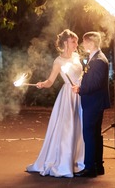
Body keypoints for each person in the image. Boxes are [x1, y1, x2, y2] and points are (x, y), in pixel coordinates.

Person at [26, 29, 85, 177]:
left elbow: (83, 73)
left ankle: (79, 161)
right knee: (67, 128)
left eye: (76, 41)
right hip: (68, 96)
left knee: (80, 127)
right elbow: (50, 81)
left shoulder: (77, 56)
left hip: (80, 93)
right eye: (74, 41)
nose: (76, 44)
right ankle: (64, 163)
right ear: (65, 43)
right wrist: (42, 84)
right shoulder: (58, 61)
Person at [72, 31, 111, 177]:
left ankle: (90, 168)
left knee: (89, 134)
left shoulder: (99, 60)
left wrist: (80, 89)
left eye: (84, 41)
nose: (82, 44)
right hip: (94, 101)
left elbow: (96, 83)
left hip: (93, 102)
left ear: (91, 43)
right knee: (95, 134)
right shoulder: (95, 58)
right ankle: (97, 166)